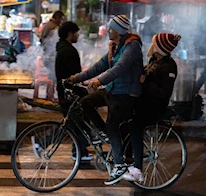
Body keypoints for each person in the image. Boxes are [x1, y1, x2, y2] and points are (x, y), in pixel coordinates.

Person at [68, 15, 143, 185]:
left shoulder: (132, 46)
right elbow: (99, 66)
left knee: (112, 125)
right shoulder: (114, 47)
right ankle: (105, 133)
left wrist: (99, 81)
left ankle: (119, 164)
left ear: (118, 30)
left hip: (126, 93)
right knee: (85, 102)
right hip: (113, 90)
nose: (108, 31)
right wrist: (75, 78)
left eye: (111, 28)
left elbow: (120, 68)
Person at [123, 33, 181, 182]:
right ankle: (126, 158)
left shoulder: (169, 66)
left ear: (159, 47)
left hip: (155, 107)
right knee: (122, 120)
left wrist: (146, 81)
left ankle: (137, 170)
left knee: (135, 126)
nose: (151, 45)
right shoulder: (154, 60)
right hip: (143, 103)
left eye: (154, 43)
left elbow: (164, 93)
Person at [55, 21, 93, 161]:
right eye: (76, 33)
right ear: (70, 34)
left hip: (66, 92)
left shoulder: (63, 49)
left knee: (77, 123)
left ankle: (80, 152)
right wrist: (83, 90)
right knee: (73, 124)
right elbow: (73, 76)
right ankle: (41, 142)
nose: (78, 36)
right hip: (70, 94)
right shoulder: (68, 51)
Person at [40, 10, 65, 82]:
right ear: (57, 17)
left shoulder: (50, 25)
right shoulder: (52, 27)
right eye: (61, 19)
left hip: (49, 52)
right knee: (53, 75)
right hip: (50, 54)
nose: (61, 21)